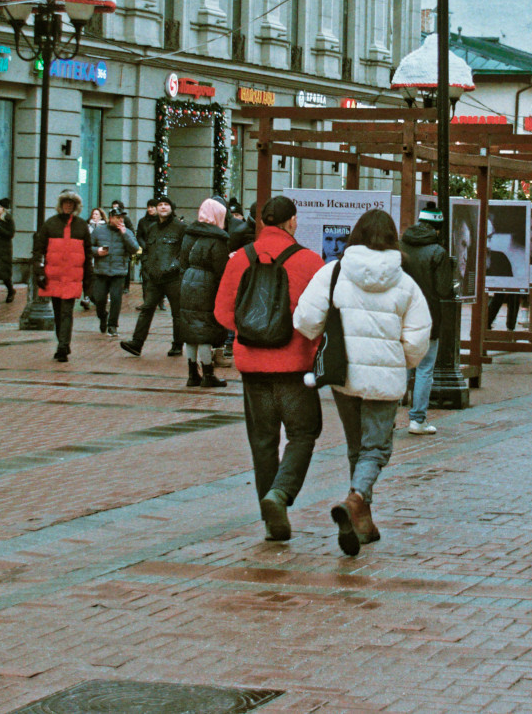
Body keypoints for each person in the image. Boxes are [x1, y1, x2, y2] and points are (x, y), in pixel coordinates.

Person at [294, 209, 431, 556]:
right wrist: (401, 362)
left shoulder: (334, 272)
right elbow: (418, 338)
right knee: (377, 448)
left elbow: (306, 319)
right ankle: (356, 500)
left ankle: (362, 523)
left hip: (345, 374)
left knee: (357, 447)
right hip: (385, 378)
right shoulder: (405, 283)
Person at [214, 195, 326, 543]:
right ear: (292, 221)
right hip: (294, 365)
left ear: (262, 222)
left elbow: (222, 312)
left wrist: (252, 331)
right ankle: (280, 494)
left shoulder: (240, 259)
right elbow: (320, 315)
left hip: (253, 366)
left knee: (263, 441)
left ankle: (270, 521)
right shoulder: (309, 260)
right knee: (303, 433)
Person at [398, 205, 456, 436]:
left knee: (401, 367)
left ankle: (388, 418)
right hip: (428, 317)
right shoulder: (437, 252)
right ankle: (417, 420)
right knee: (424, 369)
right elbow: (444, 290)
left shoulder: (400, 246)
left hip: (400, 315)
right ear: (438, 228)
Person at [174, 198, 233, 388]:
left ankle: (192, 374)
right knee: (205, 329)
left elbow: (183, 261)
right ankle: (208, 373)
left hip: (188, 282)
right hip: (207, 284)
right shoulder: (218, 238)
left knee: (191, 328)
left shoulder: (189, 233)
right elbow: (221, 269)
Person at [33, 190, 92, 363]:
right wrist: (39, 272)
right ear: (61, 205)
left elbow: (88, 254)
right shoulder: (50, 224)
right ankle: (63, 344)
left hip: (72, 277)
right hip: (54, 276)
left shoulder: (81, 226)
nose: (68, 206)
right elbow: (38, 249)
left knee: (67, 312)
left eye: (71, 203)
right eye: (65, 202)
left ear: (75, 206)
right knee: (58, 313)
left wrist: (89, 280)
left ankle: (62, 347)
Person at [126, 195, 187, 358]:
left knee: (177, 313)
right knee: (146, 309)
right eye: (160, 205)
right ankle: (136, 343)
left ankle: (177, 345)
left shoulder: (181, 228)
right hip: (155, 278)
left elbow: (185, 252)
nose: (163, 207)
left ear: (172, 208)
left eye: (166, 204)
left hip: (173, 278)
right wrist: (147, 264)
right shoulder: (152, 228)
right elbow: (146, 250)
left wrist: (174, 267)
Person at [90, 207, 140, 336]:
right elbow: (87, 247)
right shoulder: (99, 231)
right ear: (111, 218)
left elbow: (135, 249)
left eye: (122, 218)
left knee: (116, 299)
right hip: (101, 271)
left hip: (119, 271)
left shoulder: (127, 232)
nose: (120, 220)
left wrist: (125, 234)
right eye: (118, 217)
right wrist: (97, 251)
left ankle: (112, 325)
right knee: (99, 299)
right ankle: (102, 316)